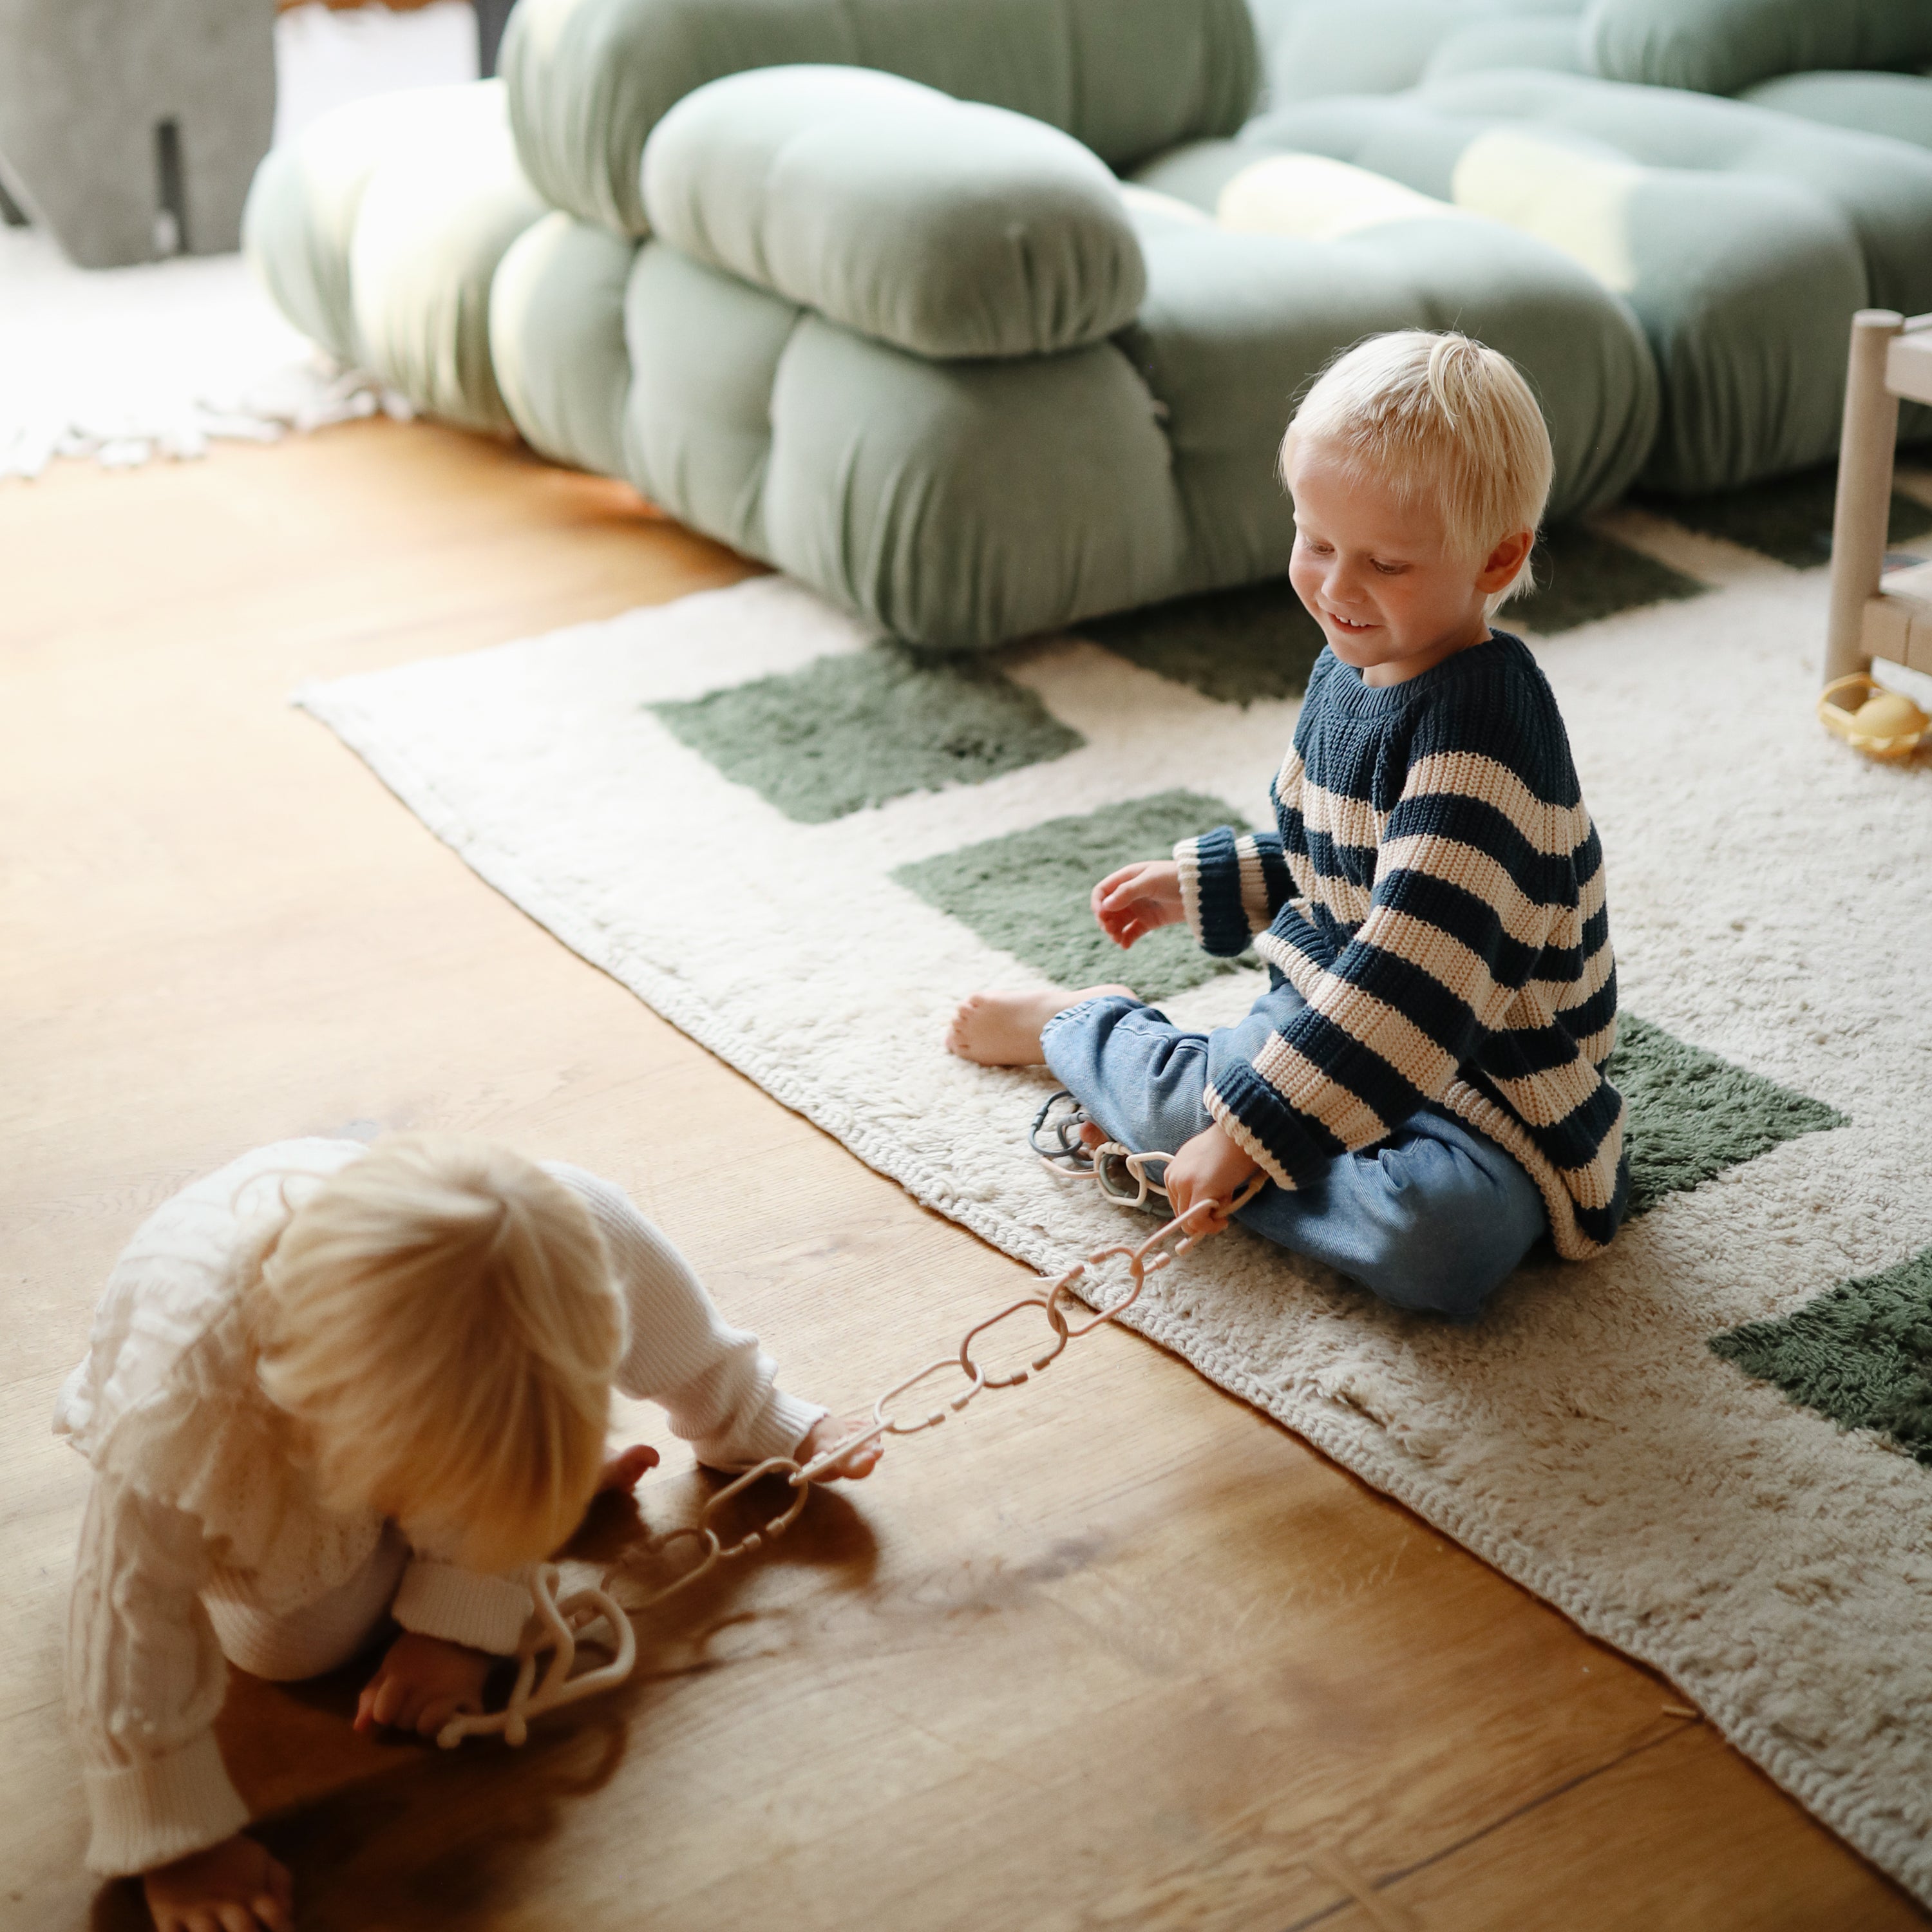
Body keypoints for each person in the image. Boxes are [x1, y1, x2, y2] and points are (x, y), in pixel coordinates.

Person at [949, 330, 1629, 1316]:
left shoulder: (1486, 746)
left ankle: (1116, 1068)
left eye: (1387, 564)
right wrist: (1206, 886)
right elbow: (1338, 859)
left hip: (1494, 1077)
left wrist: (1250, 1135)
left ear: (1498, 557)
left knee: (1442, 1244)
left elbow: (1415, 975)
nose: (1339, 590)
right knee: (1233, 1100)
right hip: (1330, 1008)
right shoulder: (1351, 667)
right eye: (1317, 543)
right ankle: (1094, 1031)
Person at [56, 1133, 879, 1932]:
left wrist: (457, 1612)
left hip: (426, 1343)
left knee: (579, 1213)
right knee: (293, 1645)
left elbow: (529, 1318)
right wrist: (179, 1846)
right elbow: (122, 1615)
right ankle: (500, 1482)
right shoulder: (181, 1417)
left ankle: (733, 1415)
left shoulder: (523, 1259)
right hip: (270, 1472)